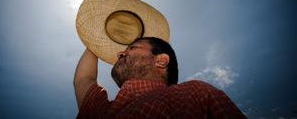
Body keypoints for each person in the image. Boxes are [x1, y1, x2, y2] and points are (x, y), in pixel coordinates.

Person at [73, 37, 246, 118]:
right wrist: (98, 36)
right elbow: (83, 80)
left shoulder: (194, 93)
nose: (120, 53)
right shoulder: (102, 111)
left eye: (132, 48)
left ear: (161, 61)